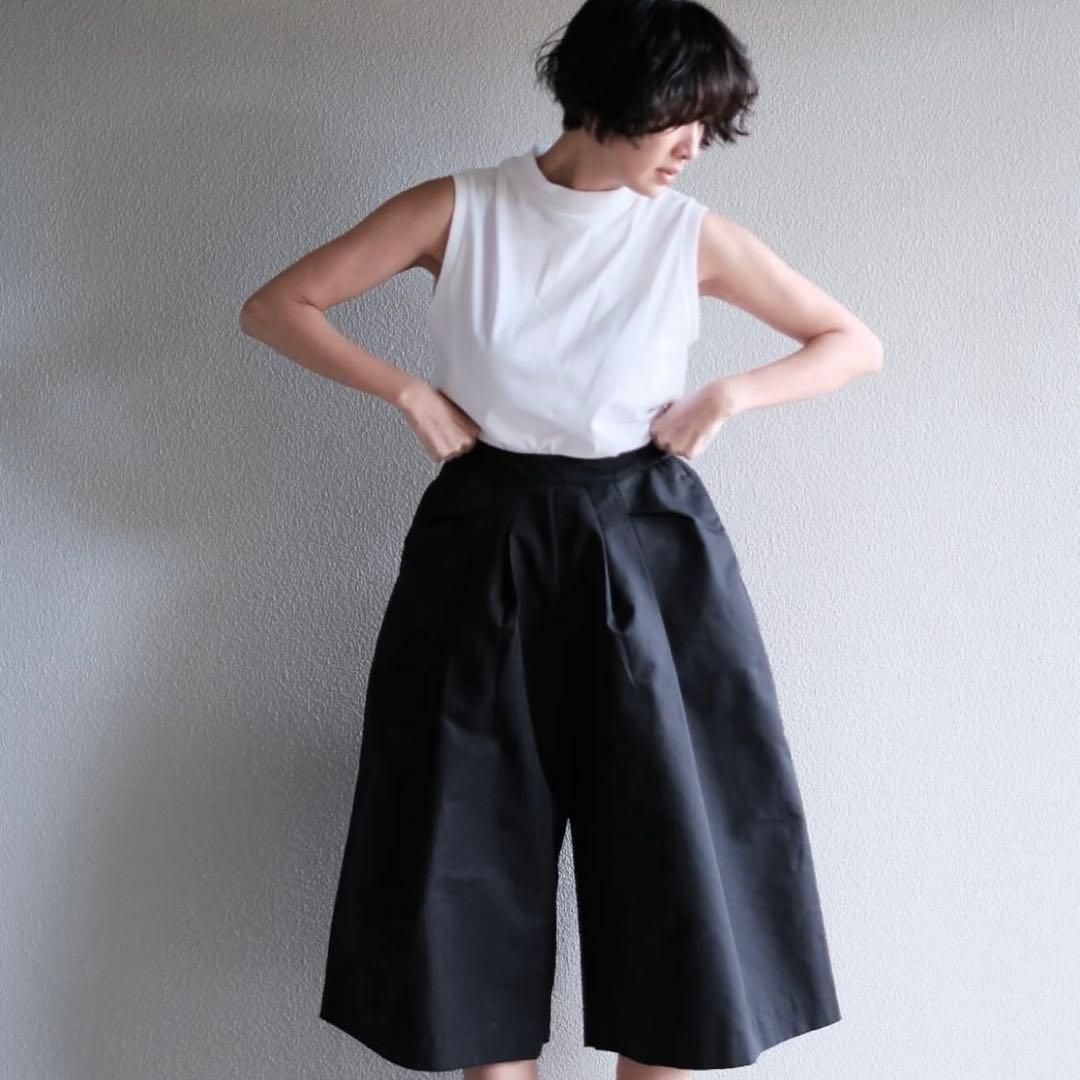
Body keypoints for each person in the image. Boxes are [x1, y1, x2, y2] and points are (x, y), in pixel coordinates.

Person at [240, 0, 882, 1076]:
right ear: (609, 96)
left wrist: (727, 395)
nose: (693, 146)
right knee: (468, 830)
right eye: (680, 116)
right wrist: (408, 391)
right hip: (482, 536)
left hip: (649, 544)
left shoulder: (687, 234)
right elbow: (278, 307)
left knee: (674, 841)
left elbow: (851, 343)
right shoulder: (460, 209)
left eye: (708, 125)